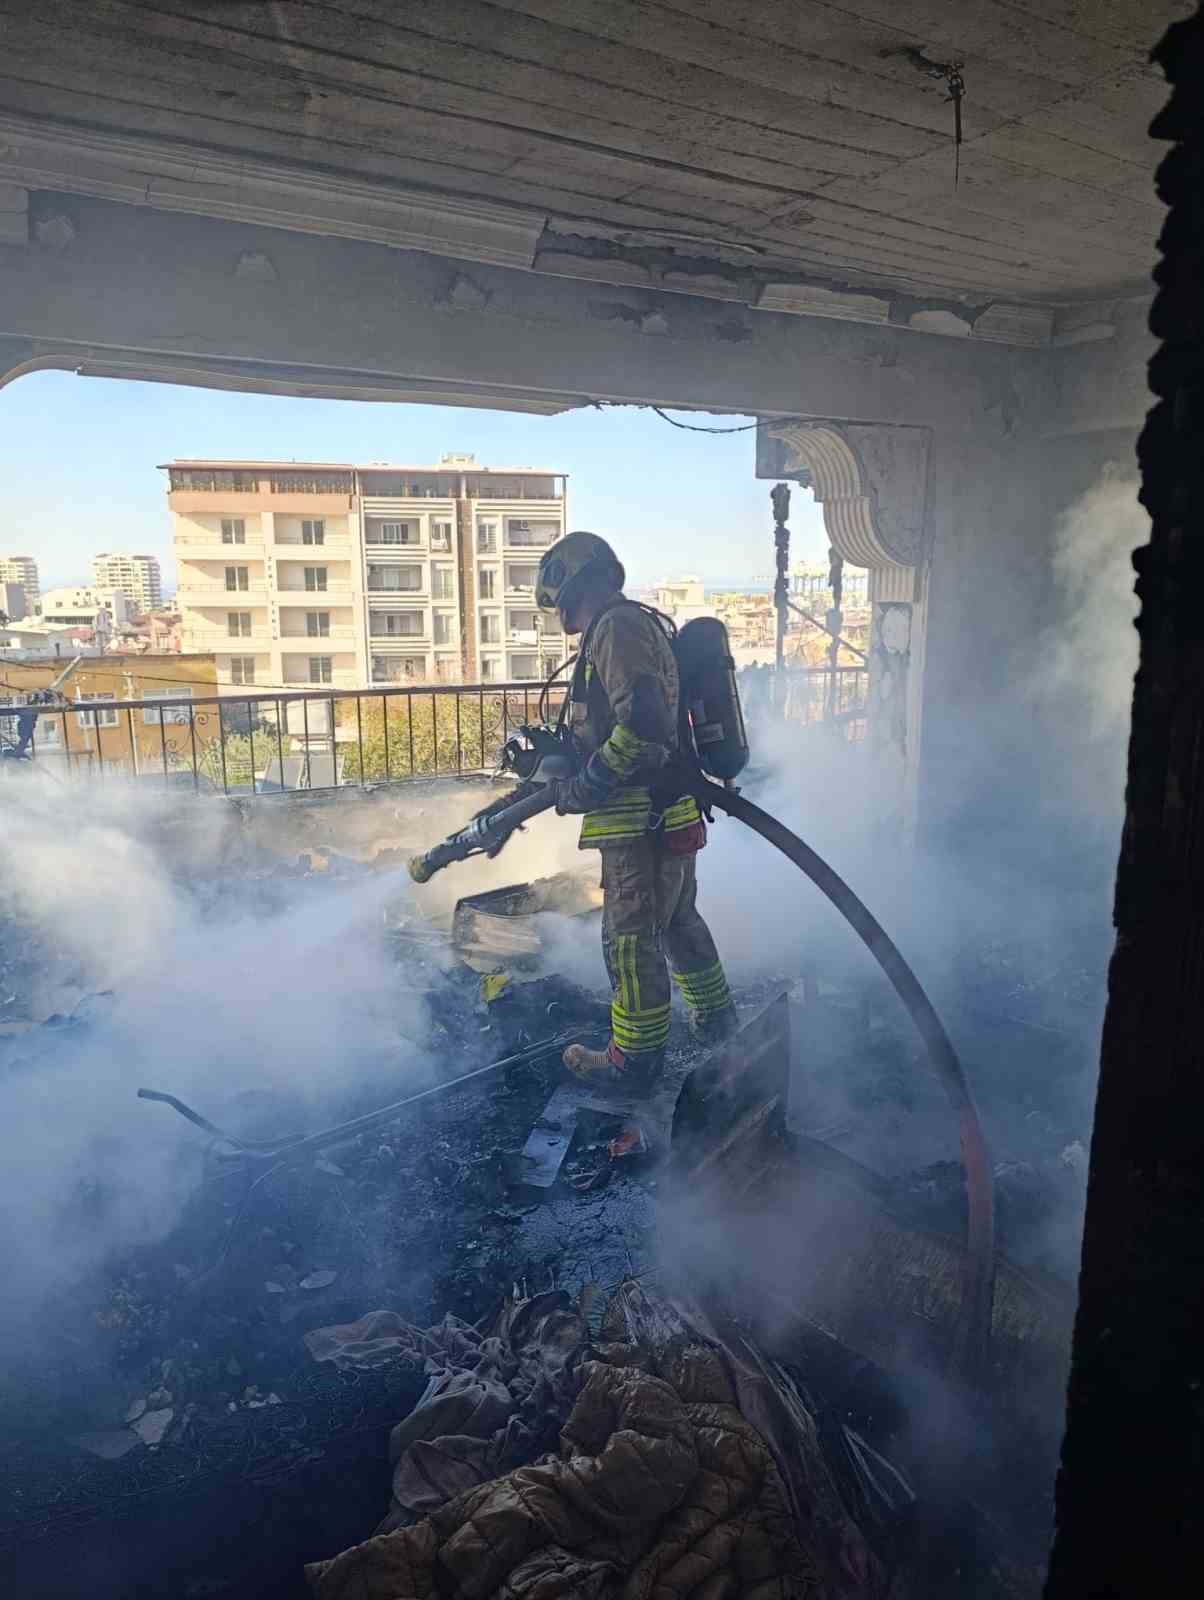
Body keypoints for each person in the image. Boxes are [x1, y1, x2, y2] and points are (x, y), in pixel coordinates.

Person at [535, 530, 737, 1089]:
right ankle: (717, 1018)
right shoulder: (636, 624)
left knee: (628, 939)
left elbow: (643, 723)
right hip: (670, 808)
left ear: (573, 588)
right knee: (678, 923)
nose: (561, 616)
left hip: (637, 818)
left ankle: (633, 1061)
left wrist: (585, 785)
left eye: (560, 603)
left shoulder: (615, 628)